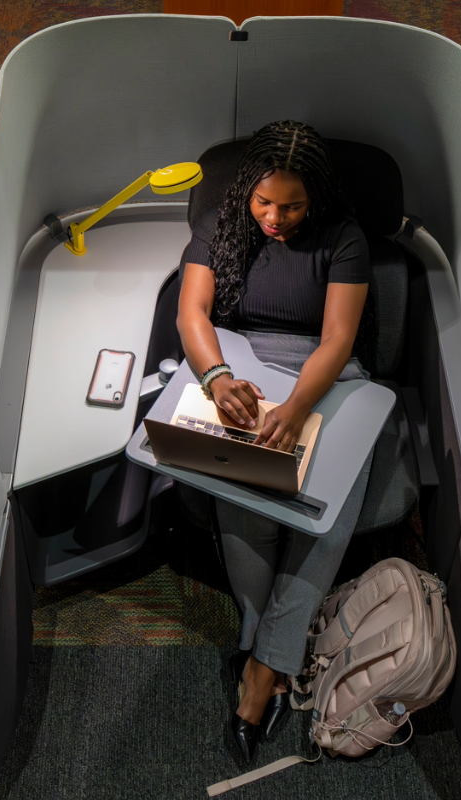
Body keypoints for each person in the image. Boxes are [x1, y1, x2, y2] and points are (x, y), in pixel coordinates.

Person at [177, 120, 374, 767]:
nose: (275, 217)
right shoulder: (223, 222)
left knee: (323, 523)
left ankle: (258, 669)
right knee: (247, 510)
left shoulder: (344, 237)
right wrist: (216, 376)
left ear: (314, 196)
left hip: (326, 378)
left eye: (291, 206)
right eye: (265, 202)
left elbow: (338, 339)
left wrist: (297, 407)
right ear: (248, 192)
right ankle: (273, 660)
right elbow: (193, 313)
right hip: (246, 369)